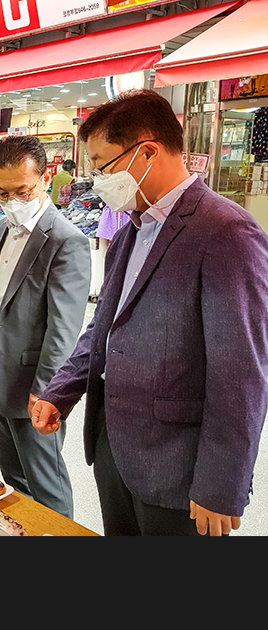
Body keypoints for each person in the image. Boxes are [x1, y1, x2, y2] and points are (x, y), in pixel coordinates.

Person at [31, 89, 268, 536]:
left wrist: (221, 484)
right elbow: (104, 329)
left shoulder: (226, 233)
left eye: (102, 166)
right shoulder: (129, 232)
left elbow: (241, 374)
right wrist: (60, 389)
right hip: (115, 452)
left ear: (146, 152)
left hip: (178, 468)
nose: (98, 180)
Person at [0, 136, 90, 519]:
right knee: (13, 476)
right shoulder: (1, 228)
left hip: (35, 385)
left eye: (23, 191)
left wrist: (47, 389)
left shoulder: (68, 242)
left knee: (45, 480)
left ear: (45, 179)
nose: (13, 200)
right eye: (3, 192)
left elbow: (63, 329)